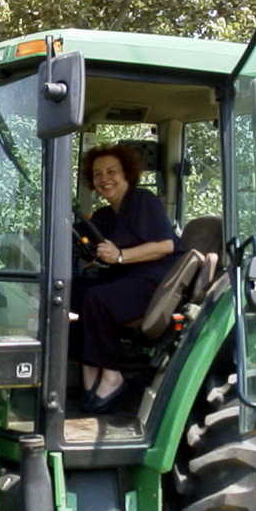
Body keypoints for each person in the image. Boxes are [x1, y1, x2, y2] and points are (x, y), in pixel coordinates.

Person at [71, 144, 183, 414]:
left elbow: (166, 245)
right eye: (97, 174)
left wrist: (120, 256)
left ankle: (111, 374)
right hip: (126, 278)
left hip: (155, 281)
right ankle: (88, 366)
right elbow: (82, 236)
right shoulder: (105, 215)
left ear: (127, 174)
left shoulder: (143, 201)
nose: (104, 179)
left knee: (98, 298)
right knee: (72, 292)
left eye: (112, 171)